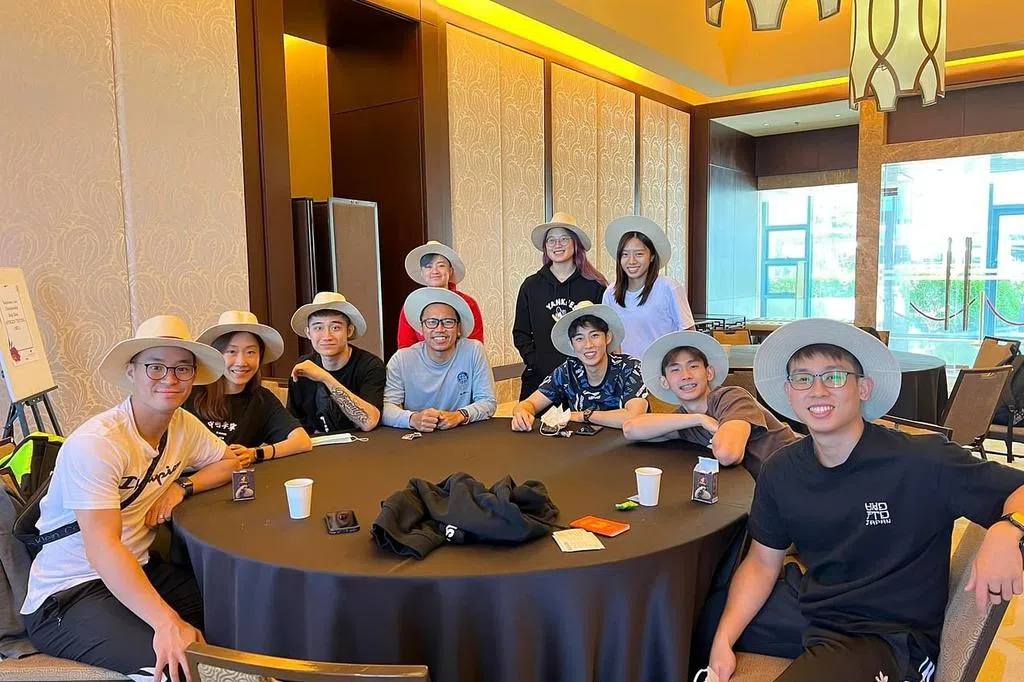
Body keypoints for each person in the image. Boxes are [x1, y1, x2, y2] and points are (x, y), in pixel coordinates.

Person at [706, 319, 1024, 682]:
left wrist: (1008, 528)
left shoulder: (922, 461)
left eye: (834, 377)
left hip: (888, 635)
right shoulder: (781, 470)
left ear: (864, 387)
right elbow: (763, 563)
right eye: (803, 378)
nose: (817, 390)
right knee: (691, 621)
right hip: (815, 610)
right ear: (789, 392)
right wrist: (722, 639)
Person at [20, 315, 240, 682]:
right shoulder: (98, 443)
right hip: (70, 594)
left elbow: (228, 463)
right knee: (176, 670)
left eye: (182, 368)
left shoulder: (183, 426)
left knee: (243, 614)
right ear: (132, 372)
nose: (169, 378)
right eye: (155, 367)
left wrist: (181, 487)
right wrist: (166, 622)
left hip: (140, 568)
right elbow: (102, 546)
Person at [622, 331, 799, 478]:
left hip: (799, 470)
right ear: (665, 382)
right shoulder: (686, 420)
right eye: (675, 370)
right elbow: (630, 429)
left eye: (693, 366)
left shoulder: (731, 397)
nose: (686, 375)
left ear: (709, 373)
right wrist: (698, 419)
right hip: (770, 484)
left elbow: (728, 454)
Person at [185, 310, 312, 466]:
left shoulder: (262, 399)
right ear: (217, 355)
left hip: (239, 479)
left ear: (260, 356)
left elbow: (302, 441)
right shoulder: (190, 392)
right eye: (231, 351)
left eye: (250, 352)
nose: (241, 362)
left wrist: (255, 453)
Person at [513, 212, 608, 399]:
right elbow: (520, 332)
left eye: (564, 239)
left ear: (575, 243)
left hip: (584, 380)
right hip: (540, 379)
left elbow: (604, 332)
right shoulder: (531, 286)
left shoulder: (595, 285)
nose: (557, 245)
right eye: (551, 240)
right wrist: (536, 362)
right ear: (545, 246)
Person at [511, 301, 648, 431]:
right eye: (579, 338)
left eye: (594, 335)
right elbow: (529, 404)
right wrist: (522, 412)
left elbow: (634, 416)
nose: (588, 345)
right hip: (582, 445)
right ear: (572, 345)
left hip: (627, 445)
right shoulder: (568, 371)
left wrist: (583, 416)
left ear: (608, 338)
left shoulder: (630, 368)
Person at [383, 287, 496, 431]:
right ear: (421, 328)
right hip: (418, 437)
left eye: (448, 322)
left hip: (462, 434)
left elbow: (488, 401)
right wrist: (412, 419)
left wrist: (460, 415)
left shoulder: (473, 350)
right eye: (431, 322)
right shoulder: (402, 359)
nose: (439, 329)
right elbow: (386, 407)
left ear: (458, 328)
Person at [287, 292, 386, 434]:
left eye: (335, 328)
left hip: (364, 443)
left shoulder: (370, 366)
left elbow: (369, 422)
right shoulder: (302, 367)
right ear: (308, 333)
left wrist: (325, 377)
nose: (327, 336)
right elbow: (293, 423)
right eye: (318, 328)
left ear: (349, 331)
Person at [601, 215, 695, 358]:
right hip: (625, 369)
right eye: (625, 254)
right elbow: (608, 339)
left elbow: (689, 335)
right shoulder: (610, 293)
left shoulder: (669, 288)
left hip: (662, 368)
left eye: (639, 254)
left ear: (651, 256)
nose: (631, 261)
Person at [397, 241, 485, 349]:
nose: (435, 271)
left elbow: (476, 345)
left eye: (441, 265)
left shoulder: (468, 303)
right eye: (428, 266)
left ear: (450, 271)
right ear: (421, 272)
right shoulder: (412, 305)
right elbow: (406, 347)